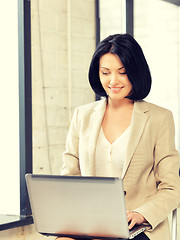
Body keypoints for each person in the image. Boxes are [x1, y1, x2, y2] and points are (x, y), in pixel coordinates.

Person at [57, 34, 180, 240]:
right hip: (90, 222)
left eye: (122, 72)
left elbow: (172, 187)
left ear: (135, 72)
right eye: (105, 72)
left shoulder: (159, 118)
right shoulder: (82, 116)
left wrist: (142, 213)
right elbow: (69, 177)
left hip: (138, 228)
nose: (113, 81)